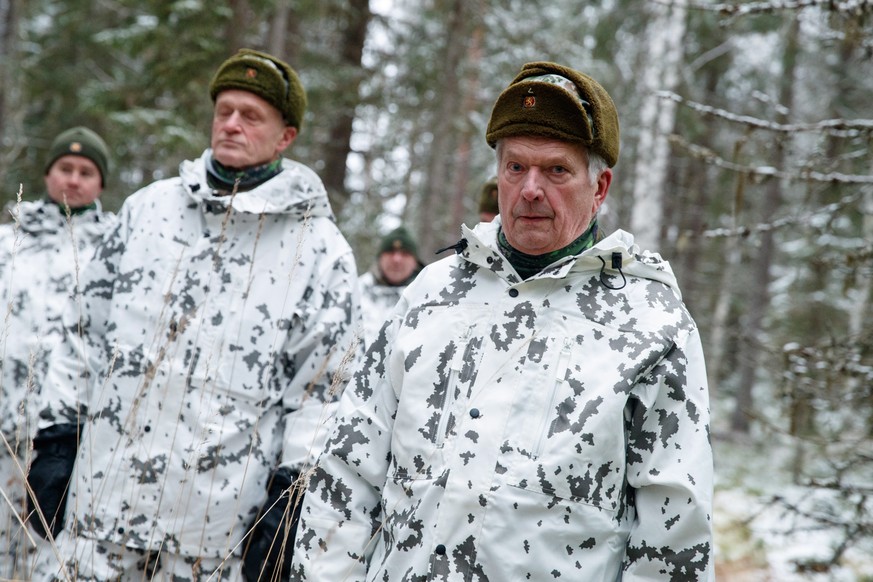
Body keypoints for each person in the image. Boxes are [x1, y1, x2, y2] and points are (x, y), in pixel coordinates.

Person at [290, 61, 714, 581]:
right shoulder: (433, 294)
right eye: (515, 168)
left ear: (599, 186)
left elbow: (674, 533)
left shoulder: (651, 324)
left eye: (556, 170)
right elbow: (347, 467)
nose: (530, 189)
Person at [28, 48, 361, 581]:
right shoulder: (148, 211)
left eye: (251, 116)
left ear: (286, 137)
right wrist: (57, 438)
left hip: (211, 541)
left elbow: (323, 392)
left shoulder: (317, 250)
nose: (231, 124)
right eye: (223, 110)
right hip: (100, 524)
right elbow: (81, 335)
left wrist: (290, 499)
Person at [0, 126, 116, 579]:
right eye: (65, 168)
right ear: (48, 174)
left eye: (86, 171)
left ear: (100, 183)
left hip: (72, 438)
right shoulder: (8, 244)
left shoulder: (115, 248)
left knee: (57, 552)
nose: (74, 179)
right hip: (6, 429)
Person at [357, 226, 423, 347]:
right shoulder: (355, 292)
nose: (397, 259)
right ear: (380, 257)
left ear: (415, 262)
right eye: (390, 252)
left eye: (405, 253)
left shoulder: (428, 298)